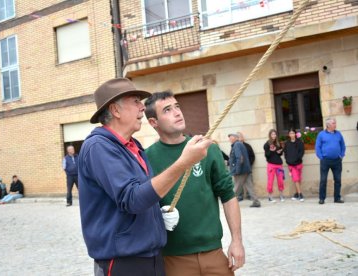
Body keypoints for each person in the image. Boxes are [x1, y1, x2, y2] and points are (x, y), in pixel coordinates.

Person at [78, 78, 212, 276]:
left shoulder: (134, 147)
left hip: (151, 257)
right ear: (115, 110)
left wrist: (156, 215)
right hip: (124, 263)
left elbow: (143, 193)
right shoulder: (98, 147)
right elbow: (132, 199)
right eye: (135, 101)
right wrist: (184, 162)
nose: (142, 107)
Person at [145, 91, 245, 275]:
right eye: (167, 110)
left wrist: (237, 241)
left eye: (177, 106)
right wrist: (158, 218)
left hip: (214, 253)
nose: (177, 112)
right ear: (153, 122)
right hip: (173, 259)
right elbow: (142, 204)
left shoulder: (207, 149)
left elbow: (228, 196)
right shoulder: (146, 159)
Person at [315, 117, 346, 204]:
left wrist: (341, 155)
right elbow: (317, 147)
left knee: (338, 180)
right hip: (325, 161)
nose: (335, 124)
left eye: (335, 123)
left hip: (337, 161)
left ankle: (337, 198)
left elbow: (343, 145)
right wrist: (321, 157)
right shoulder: (321, 134)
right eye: (333, 123)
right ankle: (322, 198)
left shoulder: (338, 134)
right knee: (323, 180)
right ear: (328, 125)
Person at [228, 133, 261, 208]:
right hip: (246, 169)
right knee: (250, 186)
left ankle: (229, 203)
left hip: (241, 171)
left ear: (236, 138)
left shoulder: (237, 145)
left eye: (231, 137)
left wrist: (237, 170)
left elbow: (239, 158)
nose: (229, 139)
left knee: (236, 188)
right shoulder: (239, 144)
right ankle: (256, 202)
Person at [264, 129, 285, 203]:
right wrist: (271, 151)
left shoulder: (278, 143)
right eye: (272, 134)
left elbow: (279, 154)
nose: (274, 136)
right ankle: (270, 197)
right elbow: (267, 155)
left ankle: (281, 195)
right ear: (270, 135)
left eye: (275, 134)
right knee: (270, 181)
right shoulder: (267, 144)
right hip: (271, 165)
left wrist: (280, 151)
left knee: (280, 181)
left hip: (279, 165)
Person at [284, 128, 305, 201]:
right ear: (289, 135)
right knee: (296, 179)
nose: (292, 134)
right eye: (290, 133)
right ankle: (300, 194)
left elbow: (302, 152)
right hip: (291, 165)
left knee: (299, 179)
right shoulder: (287, 143)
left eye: (293, 133)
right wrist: (288, 161)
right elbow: (285, 153)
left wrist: (297, 159)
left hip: (298, 163)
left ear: (295, 134)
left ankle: (296, 194)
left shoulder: (300, 142)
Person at [236, 131, 255, 201]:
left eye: (241, 136)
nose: (240, 138)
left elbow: (252, 156)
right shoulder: (235, 146)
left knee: (249, 182)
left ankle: (250, 195)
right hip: (239, 169)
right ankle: (240, 196)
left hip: (247, 168)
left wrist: (249, 164)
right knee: (238, 183)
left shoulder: (248, 146)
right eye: (238, 137)